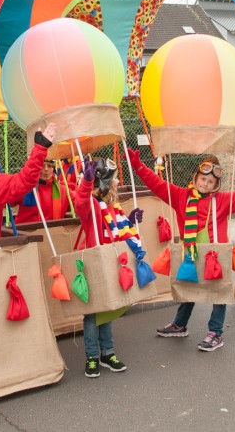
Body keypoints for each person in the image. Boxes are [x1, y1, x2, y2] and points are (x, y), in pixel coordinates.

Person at [130, 151, 235, 351]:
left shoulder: (223, 200)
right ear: (196, 178)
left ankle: (215, 333)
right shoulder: (180, 196)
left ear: (216, 185)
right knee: (188, 288)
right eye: (203, 179)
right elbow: (155, 183)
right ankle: (180, 324)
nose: (205, 184)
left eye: (210, 181)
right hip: (190, 254)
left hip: (215, 256)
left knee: (219, 293)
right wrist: (137, 164)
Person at [72, 157, 135, 377]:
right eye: (115, 177)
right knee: (92, 314)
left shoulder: (112, 206)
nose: (117, 181)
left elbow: (119, 229)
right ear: (106, 180)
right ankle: (92, 357)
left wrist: (131, 222)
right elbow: (79, 203)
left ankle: (107, 353)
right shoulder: (90, 204)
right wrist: (86, 183)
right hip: (93, 262)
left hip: (112, 260)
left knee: (108, 308)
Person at [13, 158, 76, 224]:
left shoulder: (63, 190)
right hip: (26, 232)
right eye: (42, 166)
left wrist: (86, 185)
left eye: (49, 166)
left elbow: (80, 203)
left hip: (54, 232)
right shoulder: (26, 187)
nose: (46, 169)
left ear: (53, 168)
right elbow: (8, 201)